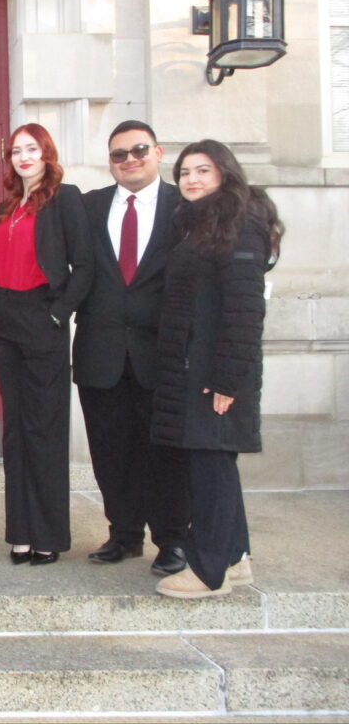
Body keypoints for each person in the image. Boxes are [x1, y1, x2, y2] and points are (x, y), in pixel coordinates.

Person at [152, 139, 283, 599]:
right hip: (194, 369)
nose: (191, 179)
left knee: (211, 466)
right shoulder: (201, 224)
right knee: (214, 462)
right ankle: (235, 556)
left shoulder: (240, 225)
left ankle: (209, 572)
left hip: (216, 374)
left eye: (202, 170)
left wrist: (228, 379)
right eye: (185, 172)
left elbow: (244, 311)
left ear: (224, 173)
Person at [73, 120, 189, 577]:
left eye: (138, 150)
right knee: (110, 450)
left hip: (162, 356)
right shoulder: (87, 206)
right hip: (100, 354)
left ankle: (172, 539)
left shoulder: (185, 207)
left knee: (165, 452)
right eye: (119, 154)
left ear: (159, 153)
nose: (129, 160)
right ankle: (124, 533)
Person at [0, 124, 92, 565]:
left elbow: (83, 266)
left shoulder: (65, 197)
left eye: (32, 149)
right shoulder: (9, 203)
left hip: (42, 318)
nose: (23, 157)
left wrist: (57, 314)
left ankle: (49, 535)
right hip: (5, 320)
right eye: (17, 151)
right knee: (15, 430)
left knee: (44, 431)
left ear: (47, 153)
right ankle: (20, 532)